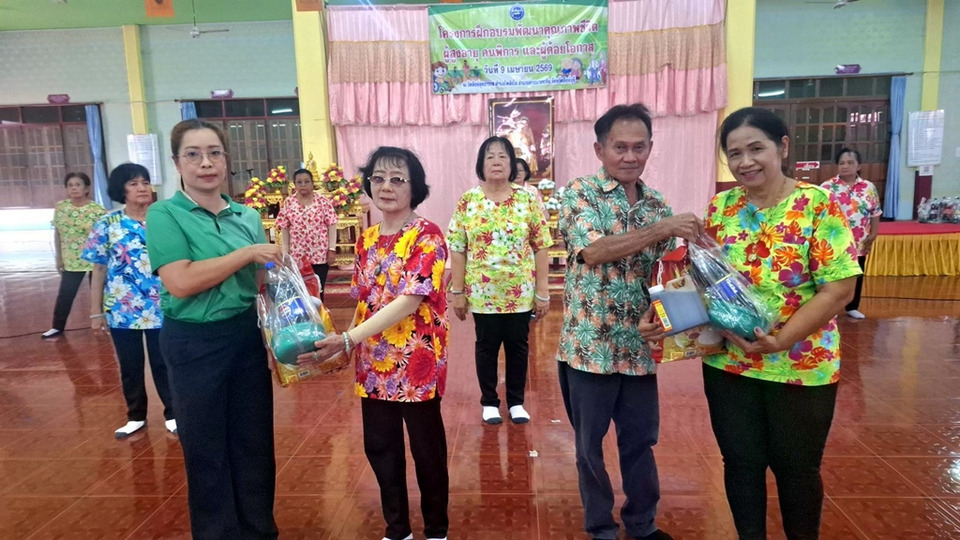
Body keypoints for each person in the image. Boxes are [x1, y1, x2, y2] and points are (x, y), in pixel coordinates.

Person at [689, 107, 859, 539]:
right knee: (740, 464)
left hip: (801, 364)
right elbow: (706, 276)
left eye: (756, 149)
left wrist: (782, 340)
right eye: (735, 154)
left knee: (797, 469)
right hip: (730, 362)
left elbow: (839, 289)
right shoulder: (722, 207)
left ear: (782, 147)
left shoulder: (816, 205)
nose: (745, 162)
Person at [557, 103, 701, 540]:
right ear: (599, 149)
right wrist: (663, 229)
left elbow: (664, 276)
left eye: (639, 147)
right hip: (589, 349)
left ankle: (642, 524)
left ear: (651, 148)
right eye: (620, 147)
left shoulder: (657, 205)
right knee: (589, 448)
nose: (630, 156)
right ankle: (600, 526)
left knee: (640, 442)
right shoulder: (579, 193)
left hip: (639, 349)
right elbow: (594, 251)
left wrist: (661, 317)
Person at [304, 146, 449, 540]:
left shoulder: (427, 235)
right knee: (380, 446)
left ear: (415, 187)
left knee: (426, 450)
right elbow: (364, 301)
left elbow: (410, 300)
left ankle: (436, 529)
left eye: (397, 179)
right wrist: (345, 344)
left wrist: (349, 337)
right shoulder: (367, 239)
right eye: (378, 178)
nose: (386, 186)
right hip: (373, 361)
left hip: (417, 359)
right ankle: (397, 528)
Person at [146, 119, 281, 540]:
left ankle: (259, 530)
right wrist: (247, 254)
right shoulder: (164, 214)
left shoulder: (247, 215)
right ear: (177, 163)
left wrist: (283, 325)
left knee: (254, 441)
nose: (206, 163)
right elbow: (181, 281)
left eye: (214, 153)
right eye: (193, 154)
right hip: (194, 341)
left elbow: (260, 284)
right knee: (206, 445)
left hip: (245, 335)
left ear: (226, 160)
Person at [448, 136, 552, 425]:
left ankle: (516, 402)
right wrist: (458, 291)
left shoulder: (527, 199)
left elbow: (541, 245)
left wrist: (542, 292)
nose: (496, 161)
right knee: (486, 346)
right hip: (483, 292)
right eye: (490, 156)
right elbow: (457, 247)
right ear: (481, 164)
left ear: (512, 164)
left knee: (518, 346)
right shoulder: (469, 200)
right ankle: (489, 402)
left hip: (520, 291)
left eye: (503, 156)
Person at [82, 163, 176, 439]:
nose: (142, 188)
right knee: (130, 364)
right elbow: (99, 268)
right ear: (121, 190)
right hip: (121, 308)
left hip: (161, 305)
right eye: (134, 184)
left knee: (164, 362)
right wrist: (95, 312)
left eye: (145, 182)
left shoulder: (163, 219)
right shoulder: (107, 223)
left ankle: (173, 414)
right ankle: (135, 416)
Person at [821, 147, 881, 319]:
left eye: (850, 162)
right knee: (832, 276)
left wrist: (874, 234)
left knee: (856, 274)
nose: (845, 166)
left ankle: (852, 306)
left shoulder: (868, 187)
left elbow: (875, 212)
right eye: (841, 163)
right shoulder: (827, 187)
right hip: (834, 241)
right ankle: (830, 309)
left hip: (860, 241)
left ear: (858, 166)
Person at [42, 172, 105, 338]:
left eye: (78, 185)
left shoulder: (97, 210)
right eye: (70, 185)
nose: (74, 188)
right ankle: (57, 326)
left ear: (86, 188)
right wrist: (59, 258)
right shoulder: (61, 207)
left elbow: (104, 236)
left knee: (99, 293)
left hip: (94, 259)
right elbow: (58, 233)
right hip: (71, 259)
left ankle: (104, 323)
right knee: (65, 294)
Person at [276, 168, 339, 301]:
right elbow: (284, 228)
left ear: (312, 183)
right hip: (297, 256)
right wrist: (286, 253)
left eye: (306, 181)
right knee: (300, 290)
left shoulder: (322, 201)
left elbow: (332, 224)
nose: (303, 185)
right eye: (299, 182)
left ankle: (320, 312)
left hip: (319, 254)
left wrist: (332, 249)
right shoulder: (289, 202)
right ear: (294, 184)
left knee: (318, 289)